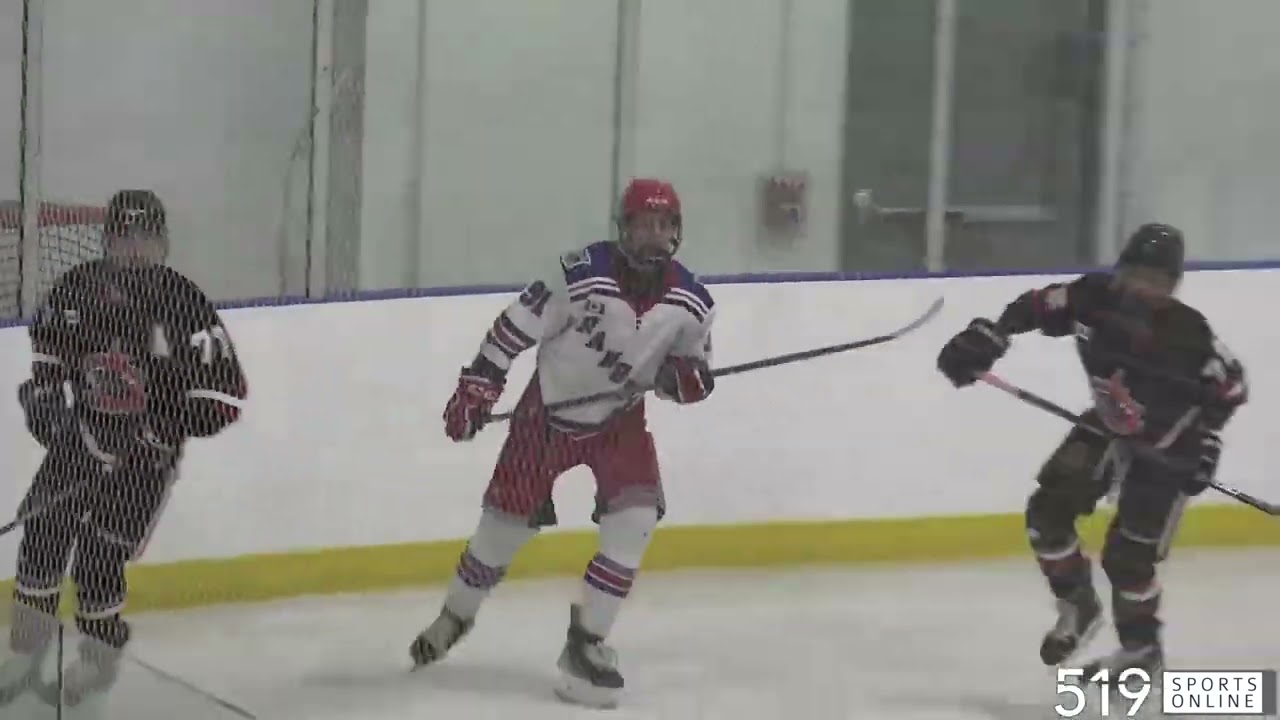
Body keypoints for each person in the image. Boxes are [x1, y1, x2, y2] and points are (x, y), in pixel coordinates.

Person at [408, 178, 716, 708]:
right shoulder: (578, 275)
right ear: (624, 228)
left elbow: (696, 372)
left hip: (620, 422)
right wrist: (478, 386)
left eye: (663, 226)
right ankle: (455, 615)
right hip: (544, 419)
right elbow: (512, 328)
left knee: (635, 522)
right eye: (643, 225)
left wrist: (684, 382)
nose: (653, 237)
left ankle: (587, 642)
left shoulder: (692, 302)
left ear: (677, 232)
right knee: (497, 538)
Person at [935, 223, 1247, 678]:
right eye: (1137, 274)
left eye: (1158, 282)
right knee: (1047, 514)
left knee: (1127, 560)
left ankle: (1141, 652)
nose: (1143, 288)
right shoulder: (1092, 297)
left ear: (1174, 287)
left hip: (1168, 447)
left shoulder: (1189, 335)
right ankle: (1078, 607)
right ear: (1120, 270)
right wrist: (991, 336)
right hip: (1109, 423)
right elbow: (1036, 306)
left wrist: (1208, 442)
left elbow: (1231, 388)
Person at [0, 190, 249, 706]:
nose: (133, 248)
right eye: (123, 236)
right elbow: (49, 355)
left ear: (162, 243)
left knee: (97, 559)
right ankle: (25, 655)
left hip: (145, 462)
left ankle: (97, 660)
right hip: (82, 440)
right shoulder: (78, 287)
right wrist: (45, 402)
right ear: (107, 239)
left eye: (144, 238)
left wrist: (161, 429)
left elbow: (225, 396)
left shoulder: (183, 302)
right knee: (42, 535)